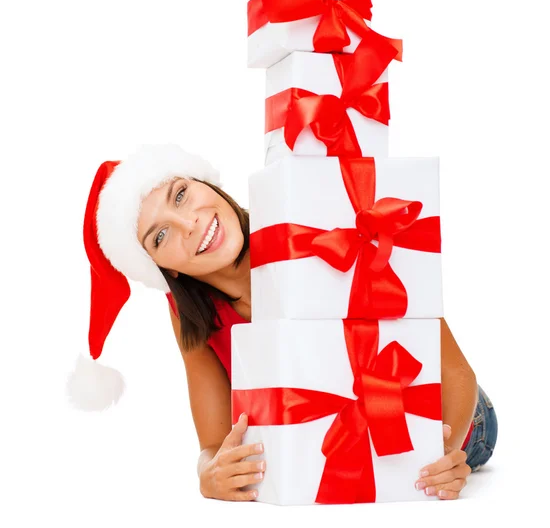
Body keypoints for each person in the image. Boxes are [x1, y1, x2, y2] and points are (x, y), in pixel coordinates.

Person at [67, 142, 498, 503]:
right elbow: (214, 445)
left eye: (180, 195)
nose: (189, 225)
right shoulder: (190, 315)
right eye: (159, 236)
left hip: (452, 415)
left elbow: (454, 370)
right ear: (164, 269)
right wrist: (208, 475)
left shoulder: (314, 229)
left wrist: (443, 454)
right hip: (337, 445)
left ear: (207, 184)